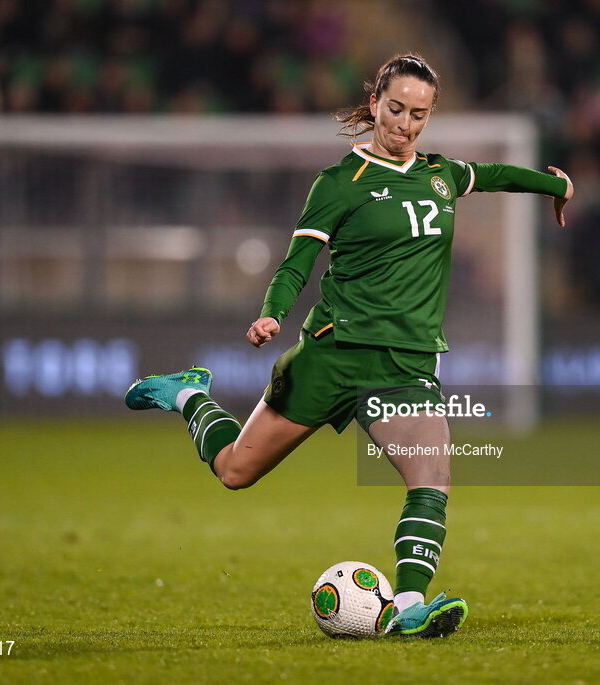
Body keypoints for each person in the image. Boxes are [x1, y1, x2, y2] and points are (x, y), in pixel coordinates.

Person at [125, 53, 573, 638]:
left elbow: (494, 175)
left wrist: (555, 185)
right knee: (236, 471)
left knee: (431, 480)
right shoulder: (340, 184)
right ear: (374, 105)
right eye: (396, 110)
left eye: (419, 114)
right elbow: (295, 265)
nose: (406, 125)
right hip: (332, 356)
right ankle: (189, 395)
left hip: (404, 364)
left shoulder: (440, 175)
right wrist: (271, 316)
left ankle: (410, 604)